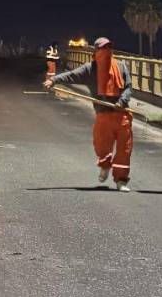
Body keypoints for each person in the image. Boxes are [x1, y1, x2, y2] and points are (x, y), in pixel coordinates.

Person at [45, 37, 135, 191]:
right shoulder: (90, 69)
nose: (106, 51)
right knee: (101, 146)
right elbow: (71, 75)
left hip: (122, 115)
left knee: (124, 150)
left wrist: (121, 101)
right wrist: (53, 80)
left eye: (109, 48)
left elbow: (128, 87)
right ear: (96, 51)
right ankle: (105, 166)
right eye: (103, 48)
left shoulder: (120, 66)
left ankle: (121, 180)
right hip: (103, 114)